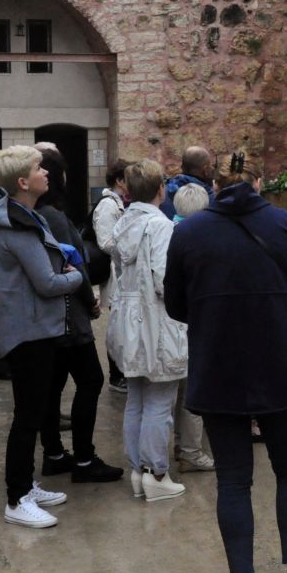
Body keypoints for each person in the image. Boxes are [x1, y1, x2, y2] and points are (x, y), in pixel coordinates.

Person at [165, 151, 287, 573]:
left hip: (218, 363)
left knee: (233, 479)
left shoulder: (189, 232)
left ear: (214, 185)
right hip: (278, 360)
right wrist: (277, 294)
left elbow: (176, 304)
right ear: (258, 181)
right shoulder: (285, 224)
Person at [0, 146, 86, 529]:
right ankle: (16, 498)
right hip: (28, 333)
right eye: (38, 168)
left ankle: (27, 484)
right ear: (23, 182)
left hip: (34, 329)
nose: (46, 173)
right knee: (27, 417)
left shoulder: (25, 216)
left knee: (33, 411)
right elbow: (46, 283)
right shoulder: (19, 227)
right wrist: (76, 276)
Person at [33, 149, 123, 485]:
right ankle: (84, 458)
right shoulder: (53, 217)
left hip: (52, 316)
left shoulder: (34, 213)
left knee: (54, 384)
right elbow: (74, 266)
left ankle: (55, 453)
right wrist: (90, 300)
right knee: (90, 380)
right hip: (69, 315)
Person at [107, 159, 191, 500]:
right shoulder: (160, 226)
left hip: (128, 319)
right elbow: (164, 280)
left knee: (137, 398)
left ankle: (138, 470)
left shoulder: (124, 222)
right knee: (159, 401)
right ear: (161, 189)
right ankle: (156, 473)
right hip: (156, 321)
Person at [168, 182, 213, 472]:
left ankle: (180, 444)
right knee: (194, 391)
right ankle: (191, 451)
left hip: (170, 321)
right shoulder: (199, 238)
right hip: (192, 322)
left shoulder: (169, 230)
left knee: (177, 391)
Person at [91, 159, 131, 394]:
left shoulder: (119, 202)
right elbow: (105, 241)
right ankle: (117, 375)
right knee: (117, 325)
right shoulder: (107, 205)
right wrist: (130, 244)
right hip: (115, 272)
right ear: (120, 181)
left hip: (122, 271)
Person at [160, 145, 214, 219]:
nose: (212, 168)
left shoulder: (164, 193)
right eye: (211, 166)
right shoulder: (209, 197)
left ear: (182, 166)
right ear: (205, 170)